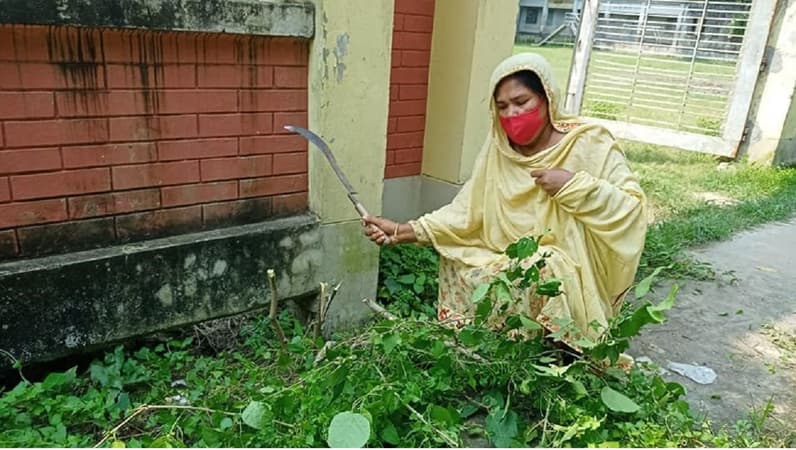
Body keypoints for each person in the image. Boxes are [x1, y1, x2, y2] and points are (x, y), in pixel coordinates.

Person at [364, 52, 648, 341]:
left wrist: (574, 186)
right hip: (506, 253)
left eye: (521, 102)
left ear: (547, 97)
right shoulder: (499, 152)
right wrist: (402, 231)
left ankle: (558, 349)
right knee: (458, 262)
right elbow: (465, 212)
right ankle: (493, 351)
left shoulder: (589, 143)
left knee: (541, 265)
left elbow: (632, 211)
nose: (511, 114)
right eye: (502, 106)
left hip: (570, 265)